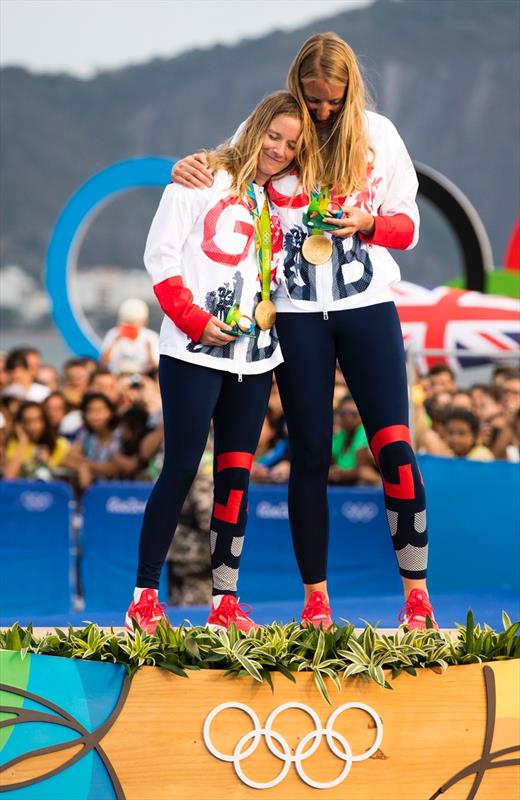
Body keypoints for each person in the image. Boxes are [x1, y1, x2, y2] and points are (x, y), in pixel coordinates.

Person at [172, 33, 437, 630]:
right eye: (312, 99)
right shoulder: (271, 127)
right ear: (297, 87)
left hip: (366, 304)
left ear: (351, 93)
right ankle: (316, 601)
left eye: (332, 102)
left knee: (393, 446)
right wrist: (184, 166)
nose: (320, 112)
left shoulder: (378, 133)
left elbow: (409, 226)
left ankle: (417, 597)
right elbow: (224, 177)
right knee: (310, 454)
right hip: (292, 314)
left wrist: (368, 221)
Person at [125, 91, 311, 634]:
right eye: (273, 135)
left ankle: (225, 602)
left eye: (291, 144)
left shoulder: (275, 196)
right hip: (192, 348)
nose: (279, 149)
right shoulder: (200, 176)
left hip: (253, 358)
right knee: (181, 467)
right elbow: (159, 256)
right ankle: (143, 598)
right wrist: (190, 317)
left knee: (235, 477)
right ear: (253, 128)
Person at [4, 401, 70, 480]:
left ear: (45, 421)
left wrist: (44, 463)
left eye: (37, 420)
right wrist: (23, 443)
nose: (33, 426)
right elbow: (8, 477)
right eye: (28, 421)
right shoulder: (15, 445)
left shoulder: (60, 444)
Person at [329, 395, 380, 486]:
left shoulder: (364, 432)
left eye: (353, 414)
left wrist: (338, 473)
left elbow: (363, 471)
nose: (348, 418)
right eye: (343, 414)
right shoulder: (340, 436)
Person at [100, 298, 160, 375]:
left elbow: (155, 366)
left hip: (143, 376)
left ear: (144, 322)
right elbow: (103, 363)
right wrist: (113, 343)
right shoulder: (113, 334)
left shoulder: (151, 336)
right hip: (116, 376)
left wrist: (149, 350)